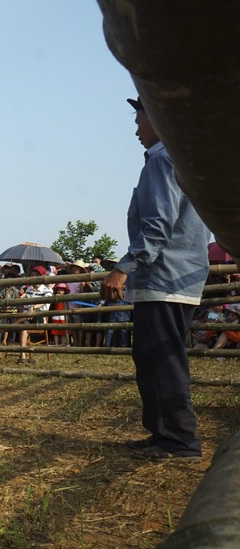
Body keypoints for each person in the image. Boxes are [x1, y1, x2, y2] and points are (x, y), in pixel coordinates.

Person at [100, 97, 210, 462]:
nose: (136, 129)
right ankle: (164, 433)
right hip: (179, 277)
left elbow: (158, 225)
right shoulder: (183, 162)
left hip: (162, 277)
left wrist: (124, 266)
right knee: (157, 357)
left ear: (159, 122)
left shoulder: (162, 161)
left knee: (160, 360)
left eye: (139, 120)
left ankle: (179, 442)